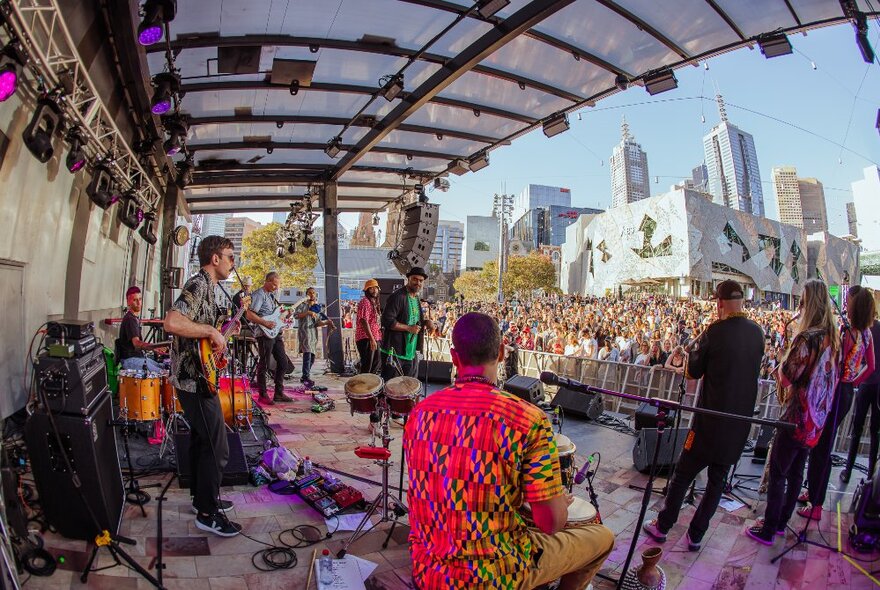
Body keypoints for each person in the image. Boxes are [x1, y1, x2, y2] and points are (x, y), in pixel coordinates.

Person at [403, 312, 614, 589]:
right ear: (502, 352)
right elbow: (550, 523)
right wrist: (559, 504)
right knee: (603, 538)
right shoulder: (528, 419)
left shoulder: (419, 413)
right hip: (496, 575)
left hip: (429, 570)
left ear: (454, 357)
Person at [643, 279, 764, 551]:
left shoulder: (715, 331)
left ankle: (662, 526)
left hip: (708, 422)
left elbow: (692, 372)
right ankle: (696, 535)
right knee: (717, 483)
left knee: (683, 474)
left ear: (719, 303)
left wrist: (695, 349)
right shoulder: (757, 333)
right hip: (738, 425)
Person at [746, 279, 839, 544]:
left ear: (808, 304)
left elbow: (786, 378)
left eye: (801, 300)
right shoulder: (833, 338)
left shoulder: (806, 338)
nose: (798, 305)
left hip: (796, 417)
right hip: (816, 422)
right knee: (797, 472)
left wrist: (784, 361)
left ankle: (769, 528)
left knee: (778, 474)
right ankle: (782, 522)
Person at [163, 235, 240, 537]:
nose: (234, 264)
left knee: (200, 440)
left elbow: (211, 334)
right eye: (231, 257)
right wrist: (210, 330)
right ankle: (208, 514)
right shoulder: (198, 284)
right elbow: (172, 321)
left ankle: (200, 499)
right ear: (215, 258)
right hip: (193, 380)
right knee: (217, 446)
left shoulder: (211, 288)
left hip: (198, 376)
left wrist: (225, 326)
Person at [798, 285, 875, 517]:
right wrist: (854, 382)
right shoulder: (867, 333)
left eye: (848, 301)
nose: (845, 304)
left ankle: (817, 506)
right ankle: (813, 492)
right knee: (821, 442)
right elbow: (871, 367)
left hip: (835, 392)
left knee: (821, 447)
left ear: (854, 305)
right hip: (846, 392)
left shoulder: (848, 332)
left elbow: (834, 362)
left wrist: (845, 380)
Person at [843, 290, 880, 480]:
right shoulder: (873, 330)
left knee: (856, 429)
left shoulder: (858, 331)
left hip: (865, 384)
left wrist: (852, 382)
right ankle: (871, 474)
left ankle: (848, 470)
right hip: (877, 385)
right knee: (876, 432)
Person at [246, 272, 293, 405]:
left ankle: (278, 393)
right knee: (264, 363)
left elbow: (274, 316)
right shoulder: (259, 294)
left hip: (275, 333)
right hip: (264, 333)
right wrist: (265, 323)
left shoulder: (271, 296)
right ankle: (263, 394)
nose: (276, 288)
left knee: (283, 362)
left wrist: (285, 317)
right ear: (267, 281)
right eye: (274, 285)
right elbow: (249, 314)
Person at [380, 267, 432, 381]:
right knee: (390, 388)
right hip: (394, 352)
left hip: (410, 353)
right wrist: (408, 328)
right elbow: (386, 320)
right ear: (408, 279)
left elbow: (415, 323)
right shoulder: (398, 297)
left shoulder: (416, 298)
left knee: (408, 388)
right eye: (415, 279)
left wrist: (427, 322)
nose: (418, 282)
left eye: (421, 281)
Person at [118, 285, 167, 372]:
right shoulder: (130, 319)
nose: (138, 303)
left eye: (140, 299)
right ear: (128, 302)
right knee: (163, 373)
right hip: (130, 360)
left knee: (164, 367)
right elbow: (136, 343)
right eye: (135, 300)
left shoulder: (133, 318)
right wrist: (153, 347)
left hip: (138, 358)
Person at [295, 287, 333, 385]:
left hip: (313, 335)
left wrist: (327, 322)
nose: (312, 295)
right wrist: (308, 312)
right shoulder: (302, 305)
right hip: (305, 332)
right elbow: (296, 315)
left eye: (313, 293)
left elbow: (317, 323)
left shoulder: (317, 307)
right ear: (306, 294)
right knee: (307, 355)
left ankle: (305, 376)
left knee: (312, 357)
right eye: (310, 293)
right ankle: (306, 377)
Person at [355, 279, 382, 374]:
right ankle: (363, 387)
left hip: (375, 337)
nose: (374, 290)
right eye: (371, 288)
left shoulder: (374, 302)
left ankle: (370, 386)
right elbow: (363, 321)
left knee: (376, 363)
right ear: (367, 290)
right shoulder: (365, 302)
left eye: (376, 288)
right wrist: (372, 339)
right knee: (367, 365)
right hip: (366, 338)